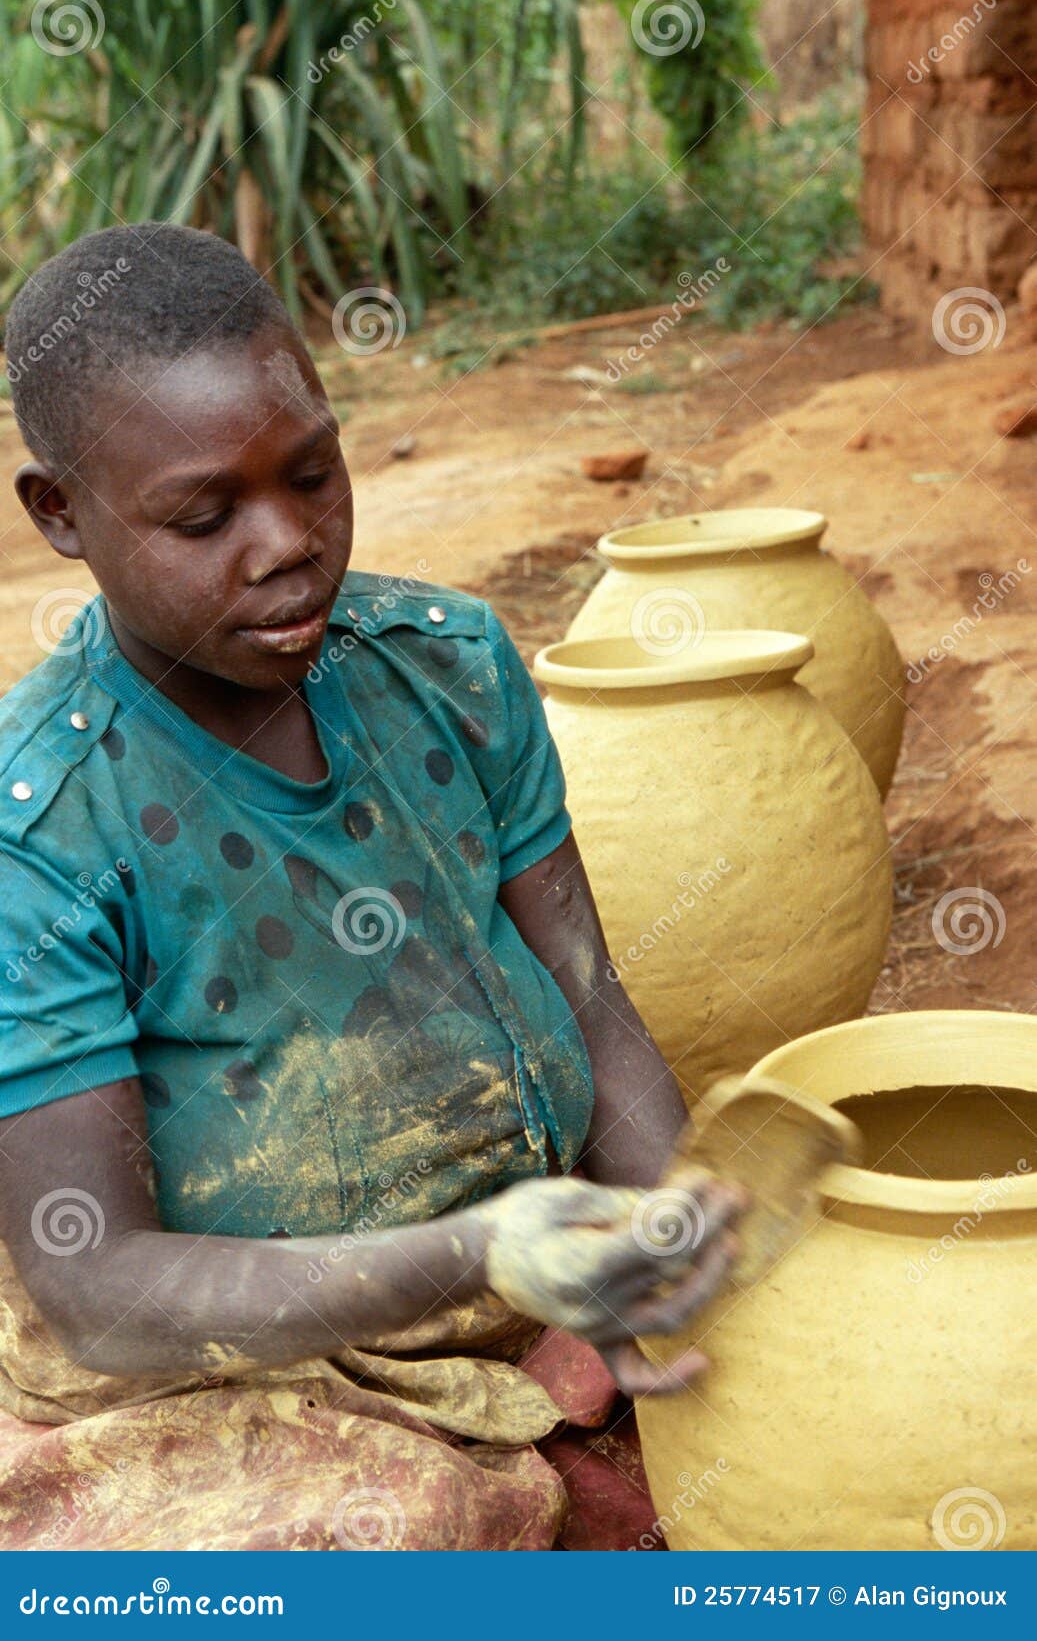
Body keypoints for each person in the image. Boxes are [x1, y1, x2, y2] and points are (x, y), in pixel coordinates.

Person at [0, 224, 744, 1551]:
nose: (286, 543)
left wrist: (663, 1234)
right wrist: (476, 1256)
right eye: (205, 514)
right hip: (234, 1340)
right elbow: (97, 1282)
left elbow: (593, 1003)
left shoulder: (450, 668)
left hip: (513, 1267)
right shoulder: (43, 828)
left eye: (314, 473)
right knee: (377, 1530)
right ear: (61, 512)